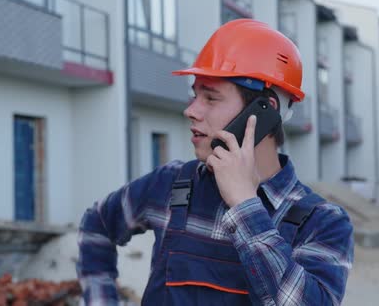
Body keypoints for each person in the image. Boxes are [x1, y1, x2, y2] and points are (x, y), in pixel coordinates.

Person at [77, 19, 354, 305]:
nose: (191, 111)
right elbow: (96, 224)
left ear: (264, 111)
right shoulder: (171, 185)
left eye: (211, 98)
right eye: (195, 95)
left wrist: (246, 206)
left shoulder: (322, 222)